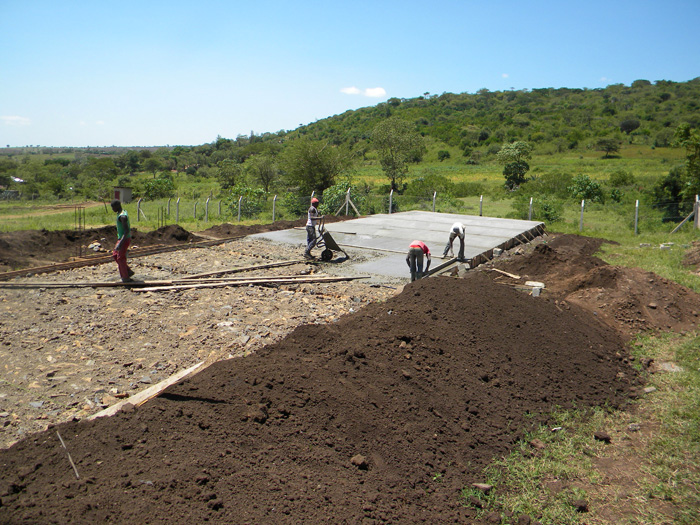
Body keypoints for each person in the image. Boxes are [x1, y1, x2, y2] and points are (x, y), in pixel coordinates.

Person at [111, 199, 134, 283]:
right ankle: (128, 271)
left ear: (117, 206)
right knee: (115, 255)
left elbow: (126, 231)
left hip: (124, 238)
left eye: (113, 207)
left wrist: (120, 243)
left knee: (120, 258)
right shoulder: (121, 213)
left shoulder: (122, 216)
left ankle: (125, 278)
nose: (112, 209)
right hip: (121, 238)